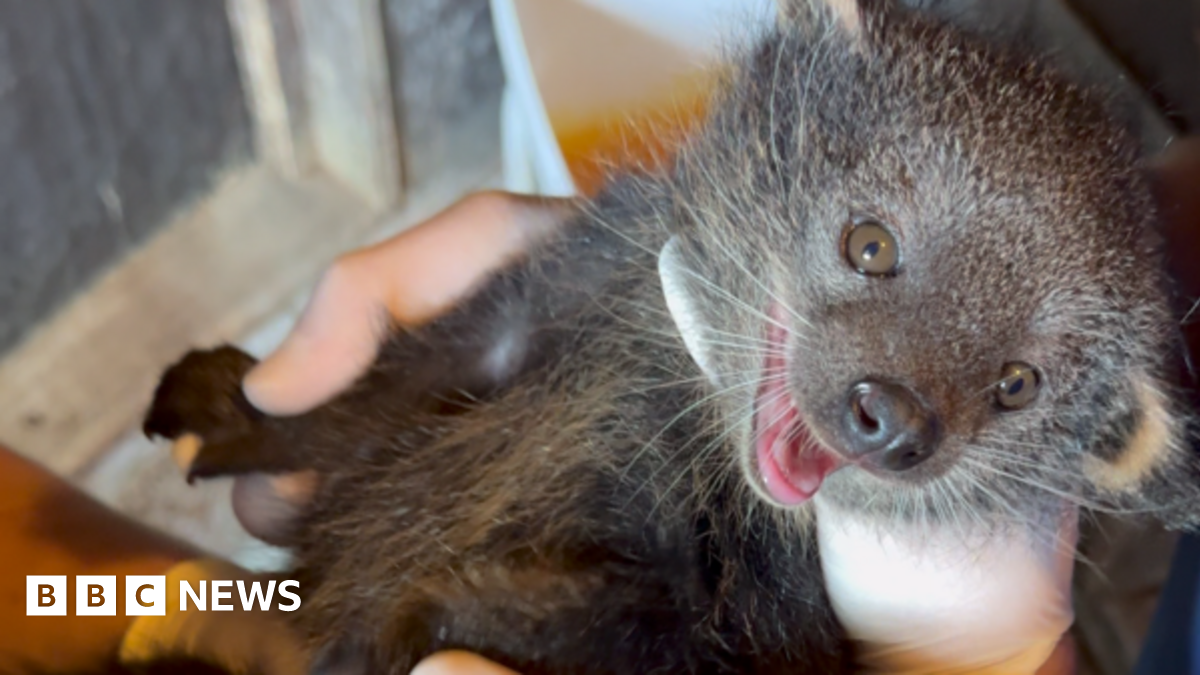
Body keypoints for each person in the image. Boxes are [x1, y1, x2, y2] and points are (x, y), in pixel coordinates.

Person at [6, 135, 1200, 673]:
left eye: (1012, 385)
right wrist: (295, 424)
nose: (886, 405)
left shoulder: (844, 564)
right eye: (874, 245)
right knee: (82, 583)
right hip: (315, 593)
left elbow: (678, 620)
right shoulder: (673, 244)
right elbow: (487, 337)